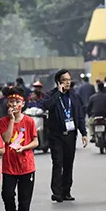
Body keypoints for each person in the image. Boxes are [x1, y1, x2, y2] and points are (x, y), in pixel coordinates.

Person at [0, 88, 38, 211]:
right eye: (11, 101)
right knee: (7, 194)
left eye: (17, 101)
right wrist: (11, 120)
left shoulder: (29, 121)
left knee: (24, 198)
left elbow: (35, 141)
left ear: (23, 103)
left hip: (26, 165)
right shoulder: (3, 121)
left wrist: (24, 147)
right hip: (9, 165)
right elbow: (6, 140)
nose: (14, 104)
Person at [44, 70, 88, 202]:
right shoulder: (51, 94)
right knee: (58, 163)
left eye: (69, 79)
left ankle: (66, 191)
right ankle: (57, 193)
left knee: (69, 164)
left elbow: (79, 115)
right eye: (65, 80)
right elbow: (47, 105)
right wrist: (58, 92)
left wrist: (84, 133)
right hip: (56, 135)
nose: (68, 82)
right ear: (58, 82)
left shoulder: (73, 96)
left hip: (70, 135)